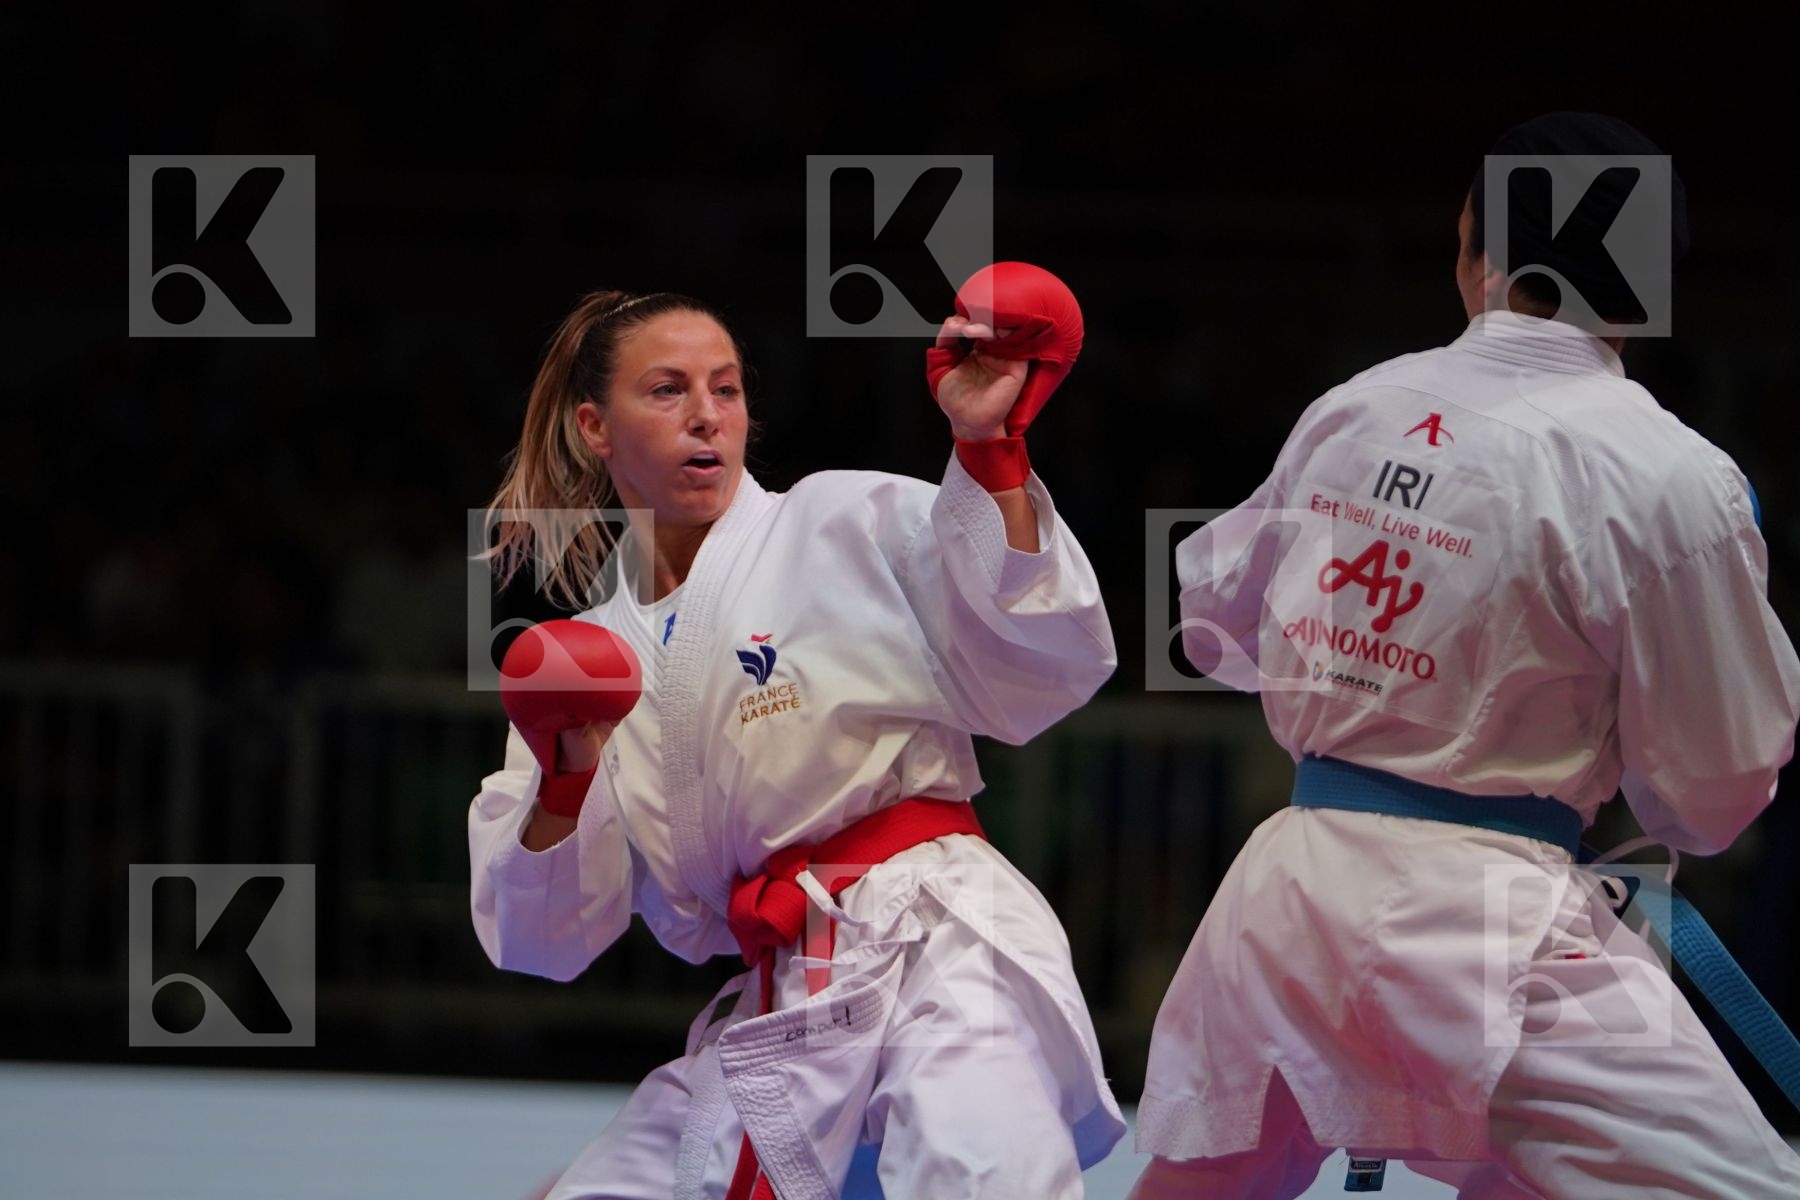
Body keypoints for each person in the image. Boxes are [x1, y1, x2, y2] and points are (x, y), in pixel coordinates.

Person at [1132, 112, 1800, 1198]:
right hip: (1498, 918)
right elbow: (1714, 793)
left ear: (1472, 250)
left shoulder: (1354, 407)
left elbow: (1213, 624)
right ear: (1647, 292)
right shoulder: (1673, 477)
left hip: (1286, 900)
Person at [469, 282, 1125, 1199]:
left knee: (981, 1175)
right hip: (781, 992)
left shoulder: (839, 521)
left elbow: (1043, 659)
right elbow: (545, 939)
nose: (706, 415)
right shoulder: (590, 660)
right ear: (595, 428)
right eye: (668, 390)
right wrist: (567, 768)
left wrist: (988, 445)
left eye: (726, 389)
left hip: (934, 942)